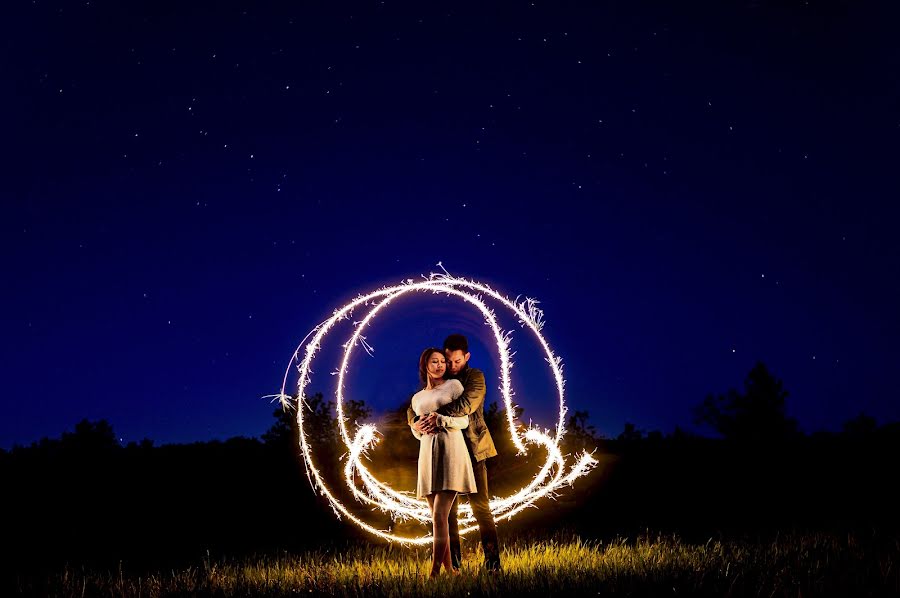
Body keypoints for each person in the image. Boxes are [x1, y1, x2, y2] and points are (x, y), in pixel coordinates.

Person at [408, 334, 502, 572]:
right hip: (445, 449)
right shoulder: (444, 379)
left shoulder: (473, 378)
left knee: (480, 507)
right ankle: (454, 565)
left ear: (466, 357)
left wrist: (432, 416)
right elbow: (414, 406)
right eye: (447, 361)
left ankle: (492, 564)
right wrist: (415, 422)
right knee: (448, 514)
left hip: (473, 448)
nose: (450, 366)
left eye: (456, 361)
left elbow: (465, 407)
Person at [410, 347, 477, 578]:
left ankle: (434, 573)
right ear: (425, 365)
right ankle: (451, 570)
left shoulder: (454, 387)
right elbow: (419, 431)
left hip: (450, 449)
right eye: (434, 362)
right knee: (437, 518)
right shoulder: (417, 398)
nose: (439, 365)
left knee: (440, 516)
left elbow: (464, 422)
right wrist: (415, 428)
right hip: (428, 453)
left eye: (442, 362)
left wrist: (442, 420)